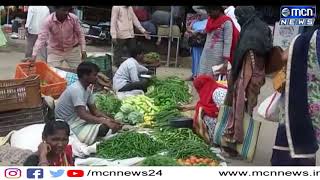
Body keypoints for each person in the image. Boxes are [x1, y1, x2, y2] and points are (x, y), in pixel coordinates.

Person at [271, 23, 320, 166]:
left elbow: (284, 56)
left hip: (293, 104)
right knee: (307, 147)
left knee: (286, 140)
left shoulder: (302, 39)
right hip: (315, 110)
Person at [224, 6, 273, 144]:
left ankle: (236, 137)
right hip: (259, 73)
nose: (239, 20)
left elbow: (239, 54)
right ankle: (245, 137)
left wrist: (233, 75)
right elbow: (269, 48)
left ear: (245, 15)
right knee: (249, 105)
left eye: (239, 17)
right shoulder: (263, 27)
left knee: (239, 102)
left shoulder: (248, 32)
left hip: (246, 73)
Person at [55, 62, 122, 145]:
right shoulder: (76, 89)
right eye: (94, 75)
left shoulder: (87, 90)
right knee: (103, 128)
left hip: (77, 120)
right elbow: (83, 115)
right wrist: (105, 121)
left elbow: (95, 111)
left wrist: (110, 120)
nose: (97, 78)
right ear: (85, 76)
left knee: (108, 123)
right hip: (68, 123)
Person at [198, 6, 239, 76]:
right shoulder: (210, 20)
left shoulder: (227, 22)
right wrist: (196, 32)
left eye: (210, 12)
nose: (208, 14)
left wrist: (226, 62)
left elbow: (227, 43)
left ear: (217, 10)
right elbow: (207, 33)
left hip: (218, 58)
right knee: (202, 76)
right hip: (205, 55)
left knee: (212, 80)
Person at [192, 75, 227, 144]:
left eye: (198, 88)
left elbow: (226, 110)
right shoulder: (214, 88)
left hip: (229, 124)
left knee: (205, 117)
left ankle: (217, 139)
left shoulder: (217, 93)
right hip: (230, 119)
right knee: (203, 111)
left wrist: (210, 112)